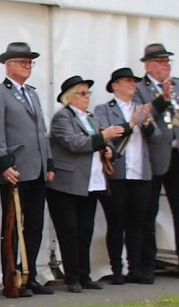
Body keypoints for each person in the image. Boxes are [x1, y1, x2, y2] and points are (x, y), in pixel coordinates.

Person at [0, 42, 55, 297]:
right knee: (12, 227)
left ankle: (30, 275)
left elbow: (41, 130)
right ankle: (11, 278)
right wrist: (3, 164)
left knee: (34, 226)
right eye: (23, 62)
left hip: (37, 169)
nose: (28, 67)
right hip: (16, 169)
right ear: (9, 64)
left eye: (30, 62)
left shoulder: (32, 94)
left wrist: (49, 162)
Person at [46, 76, 124, 292]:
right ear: (70, 97)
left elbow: (102, 141)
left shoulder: (90, 118)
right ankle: (72, 276)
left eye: (88, 93)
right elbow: (74, 143)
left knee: (85, 230)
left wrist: (109, 149)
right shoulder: (62, 117)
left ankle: (84, 274)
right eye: (82, 93)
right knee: (69, 230)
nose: (87, 97)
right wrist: (104, 137)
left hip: (89, 183)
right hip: (66, 184)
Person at [94, 68, 155, 284]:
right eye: (128, 81)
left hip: (140, 172)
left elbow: (155, 136)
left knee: (137, 223)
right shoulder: (104, 109)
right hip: (118, 173)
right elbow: (106, 135)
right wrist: (131, 124)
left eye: (134, 81)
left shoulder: (141, 108)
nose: (132, 84)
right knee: (116, 223)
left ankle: (135, 268)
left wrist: (146, 123)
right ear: (115, 85)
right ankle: (117, 269)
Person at [134, 43, 178, 283]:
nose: (166, 66)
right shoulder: (140, 89)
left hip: (176, 153)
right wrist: (162, 100)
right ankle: (146, 264)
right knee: (147, 211)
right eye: (161, 62)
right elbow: (143, 117)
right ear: (148, 66)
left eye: (167, 61)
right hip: (152, 157)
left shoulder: (176, 85)